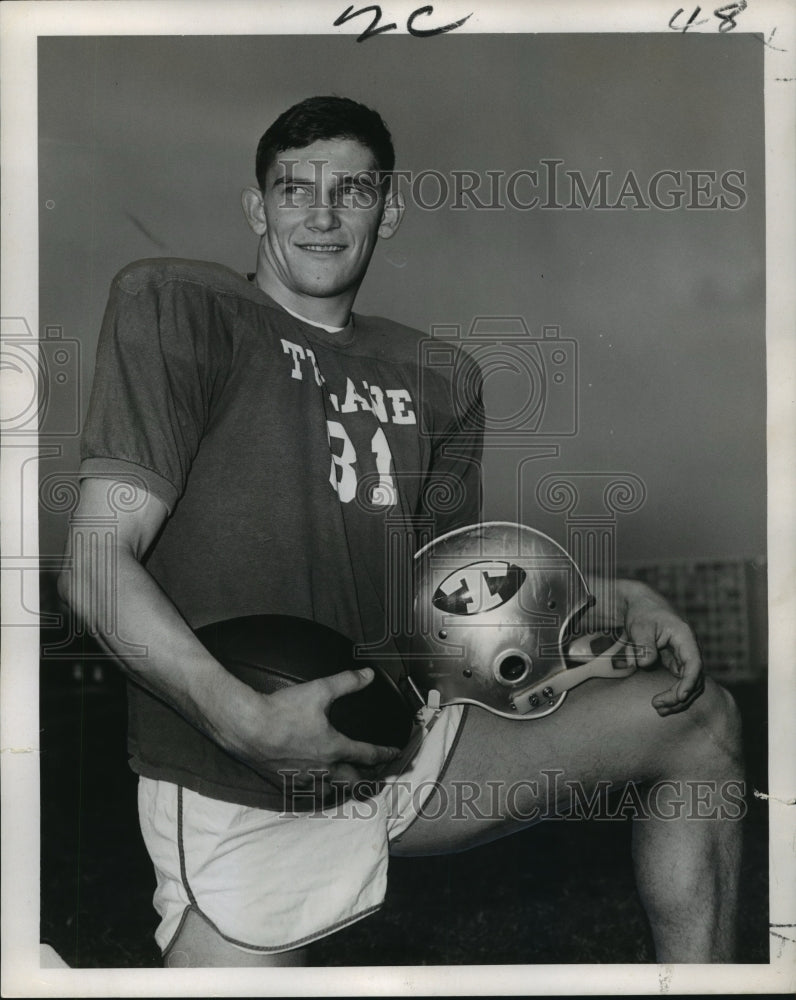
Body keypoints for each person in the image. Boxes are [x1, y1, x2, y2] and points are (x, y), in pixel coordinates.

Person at [59, 96, 743, 967]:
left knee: (696, 722)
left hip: (413, 740)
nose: (321, 213)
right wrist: (242, 720)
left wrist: (597, 603)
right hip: (254, 761)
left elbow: (442, 600)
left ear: (390, 207)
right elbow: (96, 565)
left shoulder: (437, 374)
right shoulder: (182, 313)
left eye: (351, 190)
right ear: (255, 207)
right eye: (293, 189)